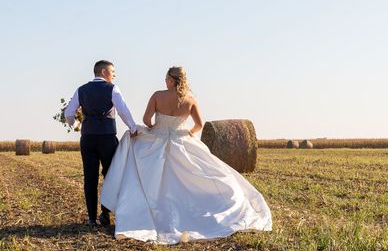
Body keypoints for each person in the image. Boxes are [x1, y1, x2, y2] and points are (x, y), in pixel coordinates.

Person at [100, 66, 272, 244]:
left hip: (157, 138)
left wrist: (153, 128)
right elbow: (199, 125)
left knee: (142, 167)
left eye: (166, 78)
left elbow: (145, 120)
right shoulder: (190, 101)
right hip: (180, 139)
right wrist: (187, 132)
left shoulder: (157, 96)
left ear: (172, 80)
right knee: (201, 175)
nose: (164, 81)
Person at [64, 60, 137, 227]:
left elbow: (68, 112)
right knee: (110, 175)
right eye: (112, 71)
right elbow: (123, 110)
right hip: (107, 137)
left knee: (90, 177)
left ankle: (91, 218)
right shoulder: (112, 88)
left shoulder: (81, 90)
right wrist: (133, 128)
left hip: (88, 137)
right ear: (104, 72)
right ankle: (105, 213)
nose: (114, 75)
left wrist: (76, 125)